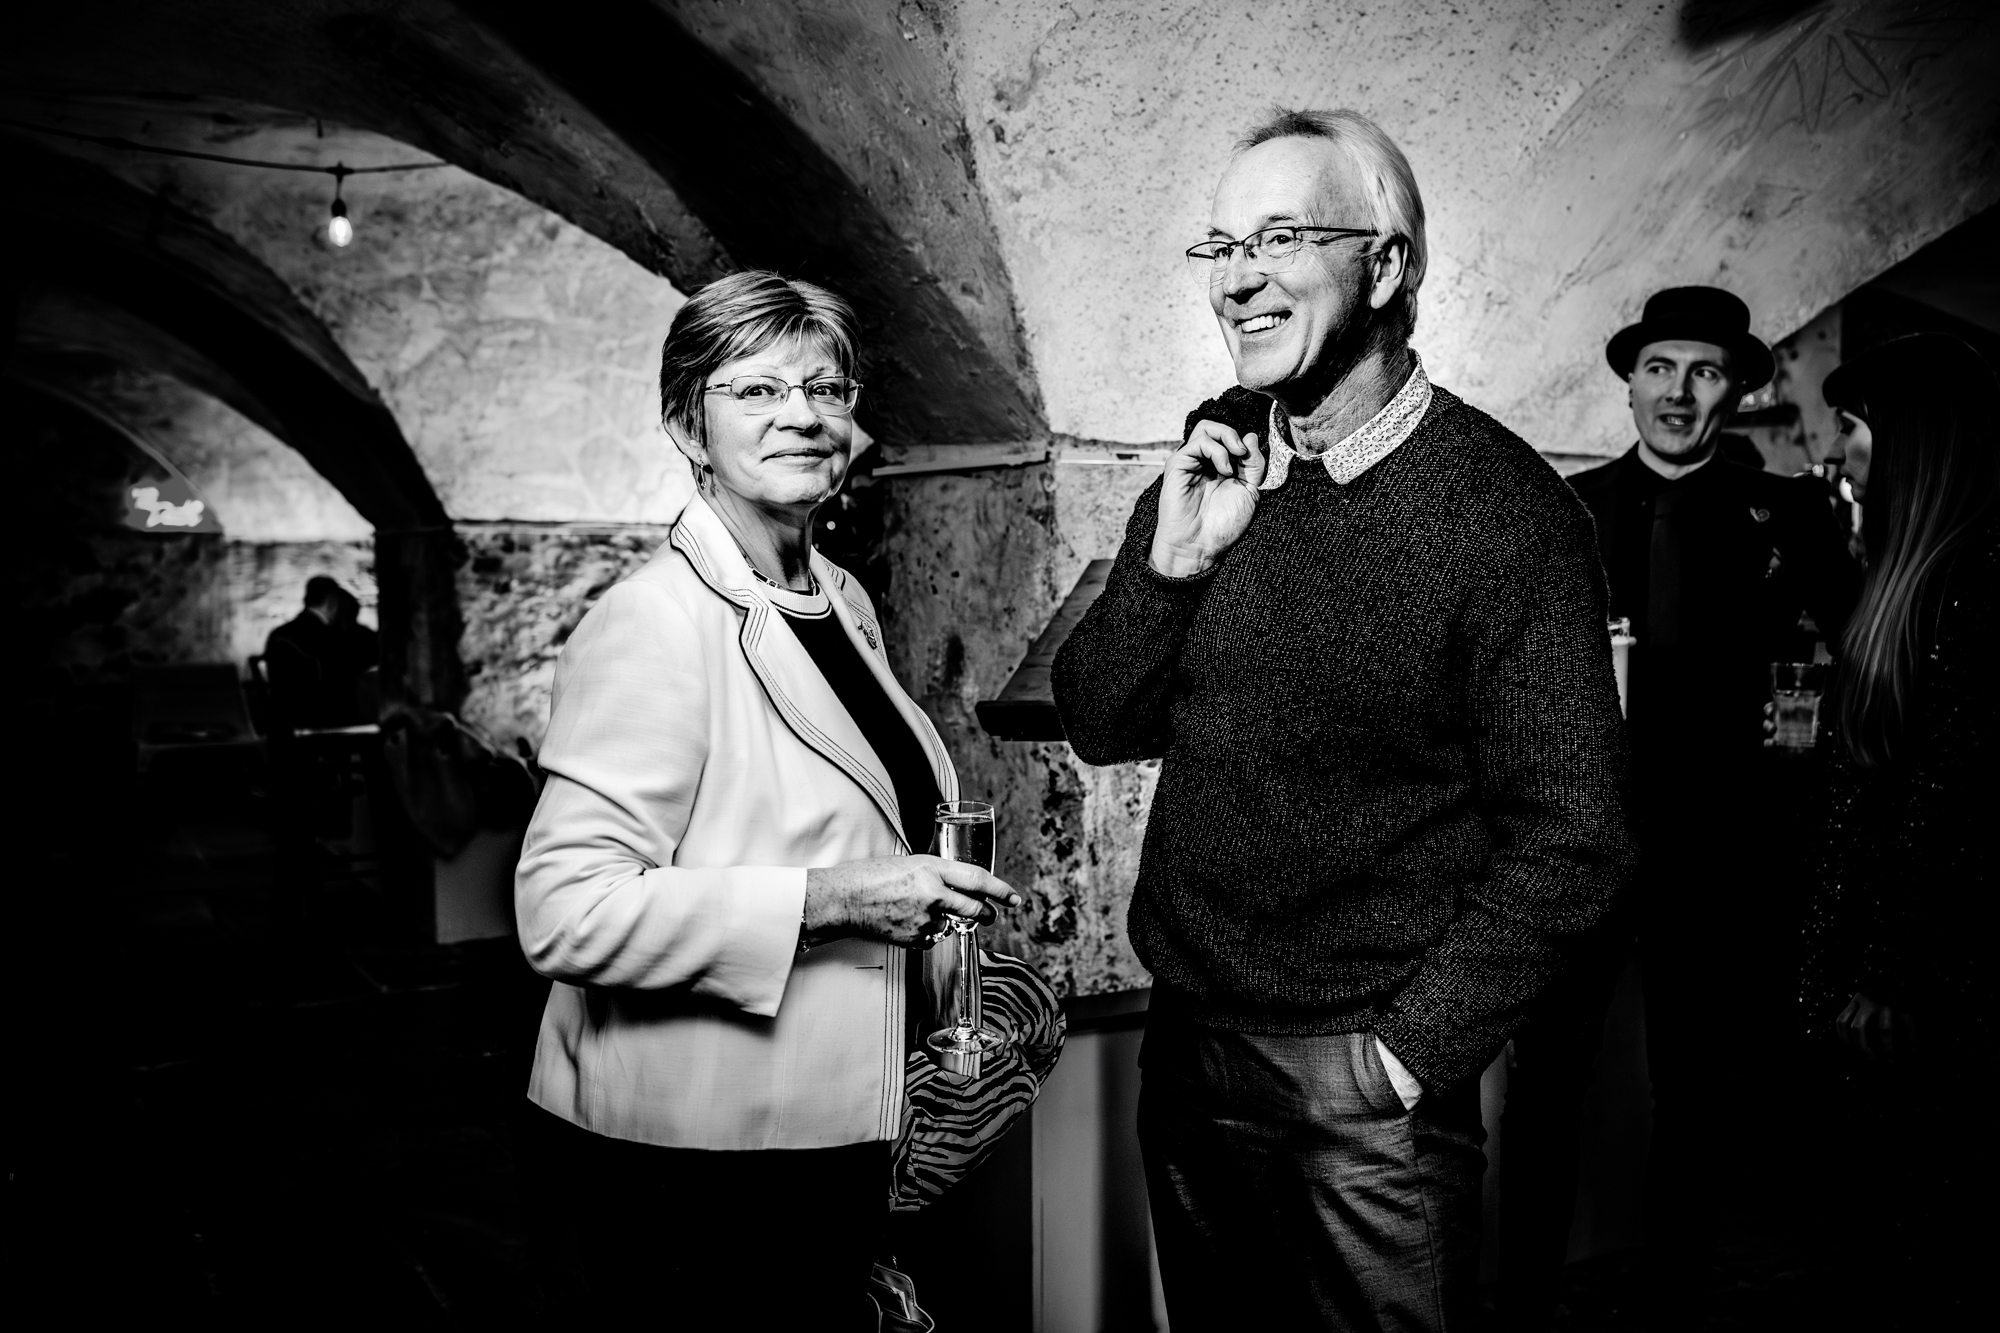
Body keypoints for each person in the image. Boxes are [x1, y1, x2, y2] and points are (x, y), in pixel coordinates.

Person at [1051, 107, 1633, 1331]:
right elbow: (1098, 718)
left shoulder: (1504, 514)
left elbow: (1572, 835)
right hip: (1186, 1045)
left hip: (1364, 1085)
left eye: (1279, 237)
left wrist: (1405, 1057)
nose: (1237, 278)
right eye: (1221, 245)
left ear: (1383, 266)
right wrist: (1168, 567)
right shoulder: (1214, 466)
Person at [512, 271, 1020, 1326]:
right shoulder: (655, 620)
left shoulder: (838, 597)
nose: (802, 415)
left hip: (836, 1129)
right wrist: (830, 899)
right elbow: (565, 911)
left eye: (825, 389)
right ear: (685, 426)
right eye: (755, 390)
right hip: (695, 1157)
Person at [1499, 287, 1862, 1324]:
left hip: (1715, 853)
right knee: (1544, 1085)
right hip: (1574, 846)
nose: (1677, 391)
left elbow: (1858, 652)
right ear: (1629, 382)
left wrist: (1804, 734)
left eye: (1703, 371)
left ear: (1733, 389)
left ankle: (1671, 1307)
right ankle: (1520, 1305)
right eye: (1659, 367)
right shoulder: (1559, 508)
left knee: (1696, 1095)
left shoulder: (1788, 511)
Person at [1804, 332, 1998, 1326]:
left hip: (1921, 1002)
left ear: (1914, 439)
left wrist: (1888, 975)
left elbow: (1951, 807)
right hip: (1879, 991)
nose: (1837, 449)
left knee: (1922, 1249)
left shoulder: (1976, 587)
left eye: (1852, 425)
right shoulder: (1914, 579)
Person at [262, 576, 378, 729]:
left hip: (283, 721)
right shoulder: (333, 638)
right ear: (332, 602)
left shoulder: (280, 634)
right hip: (327, 721)